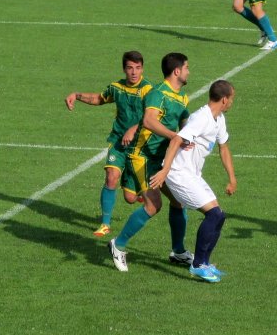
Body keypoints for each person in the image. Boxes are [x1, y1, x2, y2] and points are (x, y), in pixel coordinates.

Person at [109, 52, 192, 272]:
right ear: (177, 71)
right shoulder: (158, 93)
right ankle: (118, 245)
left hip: (160, 159)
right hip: (142, 155)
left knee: (179, 201)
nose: (188, 72)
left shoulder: (182, 98)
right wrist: (174, 136)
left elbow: (186, 125)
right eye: (186, 68)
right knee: (153, 205)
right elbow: (148, 120)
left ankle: (178, 251)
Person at [150, 80, 237, 283]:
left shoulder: (219, 118)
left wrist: (232, 178)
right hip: (178, 173)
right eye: (232, 98)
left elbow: (223, 147)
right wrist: (165, 170)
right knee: (214, 215)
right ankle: (197, 265)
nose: (232, 102)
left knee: (219, 216)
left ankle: (204, 263)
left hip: (192, 175)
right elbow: (176, 140)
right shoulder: (201, 118)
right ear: (224, 99)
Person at [65, 51, 152, 238]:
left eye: (137, 68)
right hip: (118, 142)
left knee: (129, 198)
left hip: (138, 146)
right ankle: (105, 224)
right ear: (124, 69)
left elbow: (152, 116)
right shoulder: (116, 88)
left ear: (142, 69)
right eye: (130, 68)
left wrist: (133, 129)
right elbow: (99, 98)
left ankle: (135, 194)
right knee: (111, 177)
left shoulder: (148, 90)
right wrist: (77, 95)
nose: (134, 72)